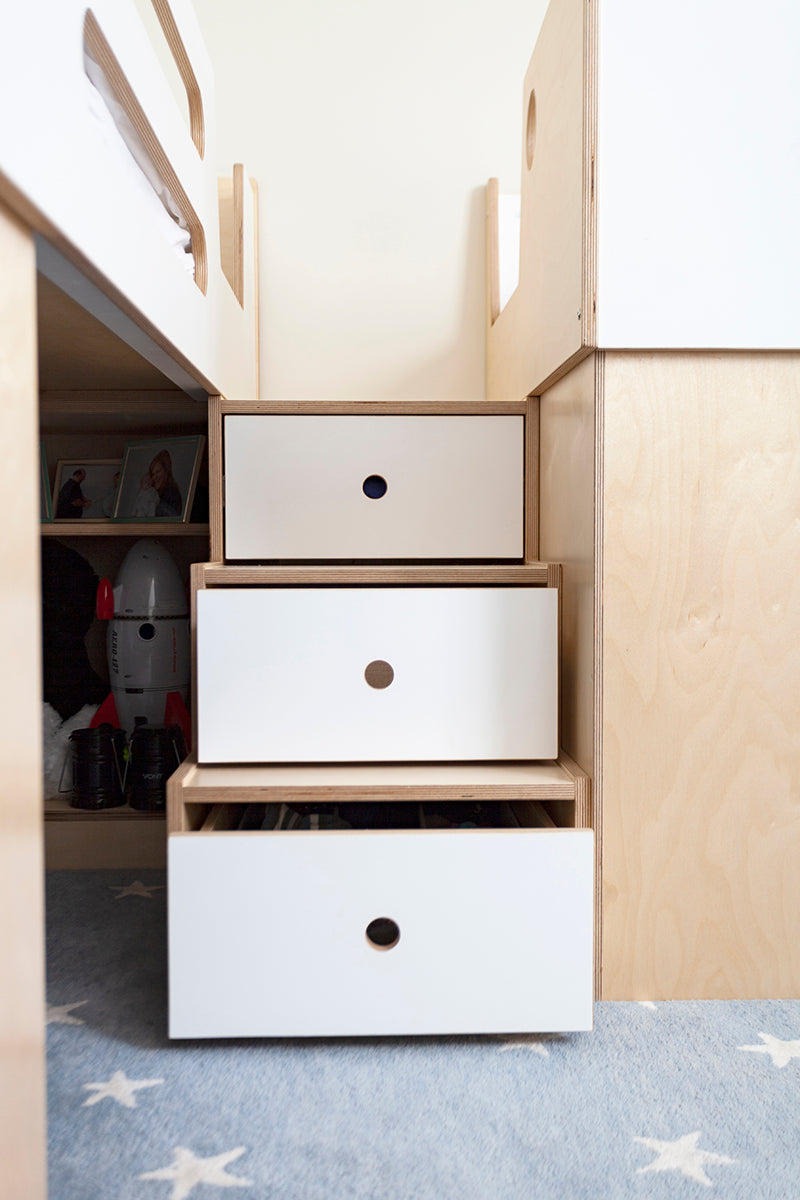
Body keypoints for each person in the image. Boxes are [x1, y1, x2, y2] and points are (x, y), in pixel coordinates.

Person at [148, 449, 182, 518]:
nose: (154, 477)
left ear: (166, 471)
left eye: (158, 472)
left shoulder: (172, 494)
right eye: (152, 474)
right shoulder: (151, 492)